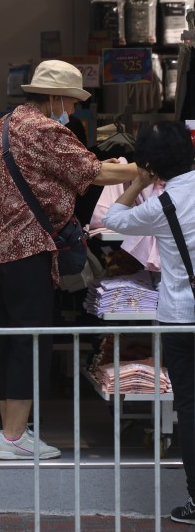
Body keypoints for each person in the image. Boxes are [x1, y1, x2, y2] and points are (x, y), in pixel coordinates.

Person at [0, 60, 137, 460]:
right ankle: (14, 439)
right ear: (53, 97)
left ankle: (9, 434)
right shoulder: (45, 128)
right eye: (70, 99)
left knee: (7, 343)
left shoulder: (5, 124)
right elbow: (94, 172)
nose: (72, 107)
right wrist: (149, 169)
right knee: (30, 343)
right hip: (26, 252)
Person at [103, 120, 195, 524]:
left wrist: (139, 183)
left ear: (152, 165)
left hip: (181, 318)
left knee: (190, 410)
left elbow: (116, 220)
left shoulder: (162, 204)